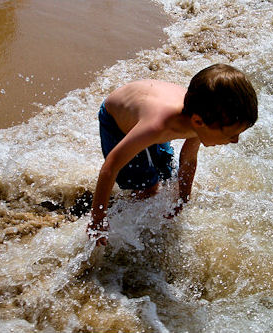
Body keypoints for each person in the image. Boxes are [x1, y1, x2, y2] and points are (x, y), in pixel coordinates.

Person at [87, 63, 258, 246]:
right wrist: (98, 219)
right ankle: (116, 213)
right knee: (147, 188)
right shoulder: (157, 127)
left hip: (147, 106)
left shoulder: (202, 119)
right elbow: (111, 166)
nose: (235, 141)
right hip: (117, 122)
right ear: (198, 121)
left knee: (166, 176)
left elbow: (189, 159)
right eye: (231, 134)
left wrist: (183, 200)